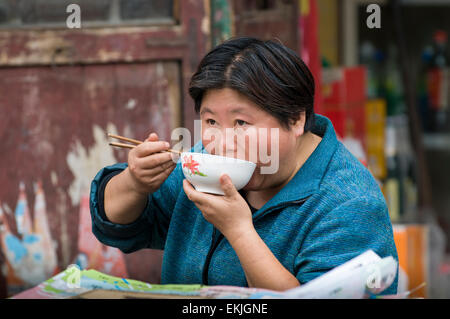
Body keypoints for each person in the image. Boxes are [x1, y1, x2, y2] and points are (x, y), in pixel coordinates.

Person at [90, 37, 398, 294]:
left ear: (296, 119)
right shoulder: (205, 162)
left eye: (241, 122)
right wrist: (134, 183)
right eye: (211, 121)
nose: (223, 143)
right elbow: (119, 227)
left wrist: (239, 231)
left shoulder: (349, 204)